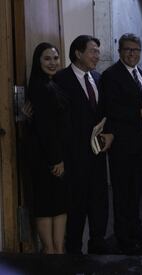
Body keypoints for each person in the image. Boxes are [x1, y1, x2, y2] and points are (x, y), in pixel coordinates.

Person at [54, 35, 113, 254]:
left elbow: (106, 113)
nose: (97, 55)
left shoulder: (98, 78)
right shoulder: (61, 79)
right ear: (78, 53)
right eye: (92, 51)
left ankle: (98, 241)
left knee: (99, 200)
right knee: (76, 204)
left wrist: (110, 135)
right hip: (73, 155)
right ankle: (74, 249)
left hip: (98, 153)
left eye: (98, 51)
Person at [100, 33, 142, 254]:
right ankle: (123, 235)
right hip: (122, 144)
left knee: (135, 190)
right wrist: (137, 113)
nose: (132, 53)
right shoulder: (111, 75)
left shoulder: (137, 72)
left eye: (136, 50)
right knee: (122, 192)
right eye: (128, 49)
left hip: (138, 143)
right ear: (120, 51)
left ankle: (135, 227)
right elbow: (109, 108)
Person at [27, 42, 69, 254]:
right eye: (47, 59)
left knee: (59, 203)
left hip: (57, 153)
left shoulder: (53, 84)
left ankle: (58, 250)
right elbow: (46, 128)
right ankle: (49, 251)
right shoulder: (39, 87)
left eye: (55, 58)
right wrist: (56, 159)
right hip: (46, 157)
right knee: (46, 202)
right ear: (38, 61)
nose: (52, 63)